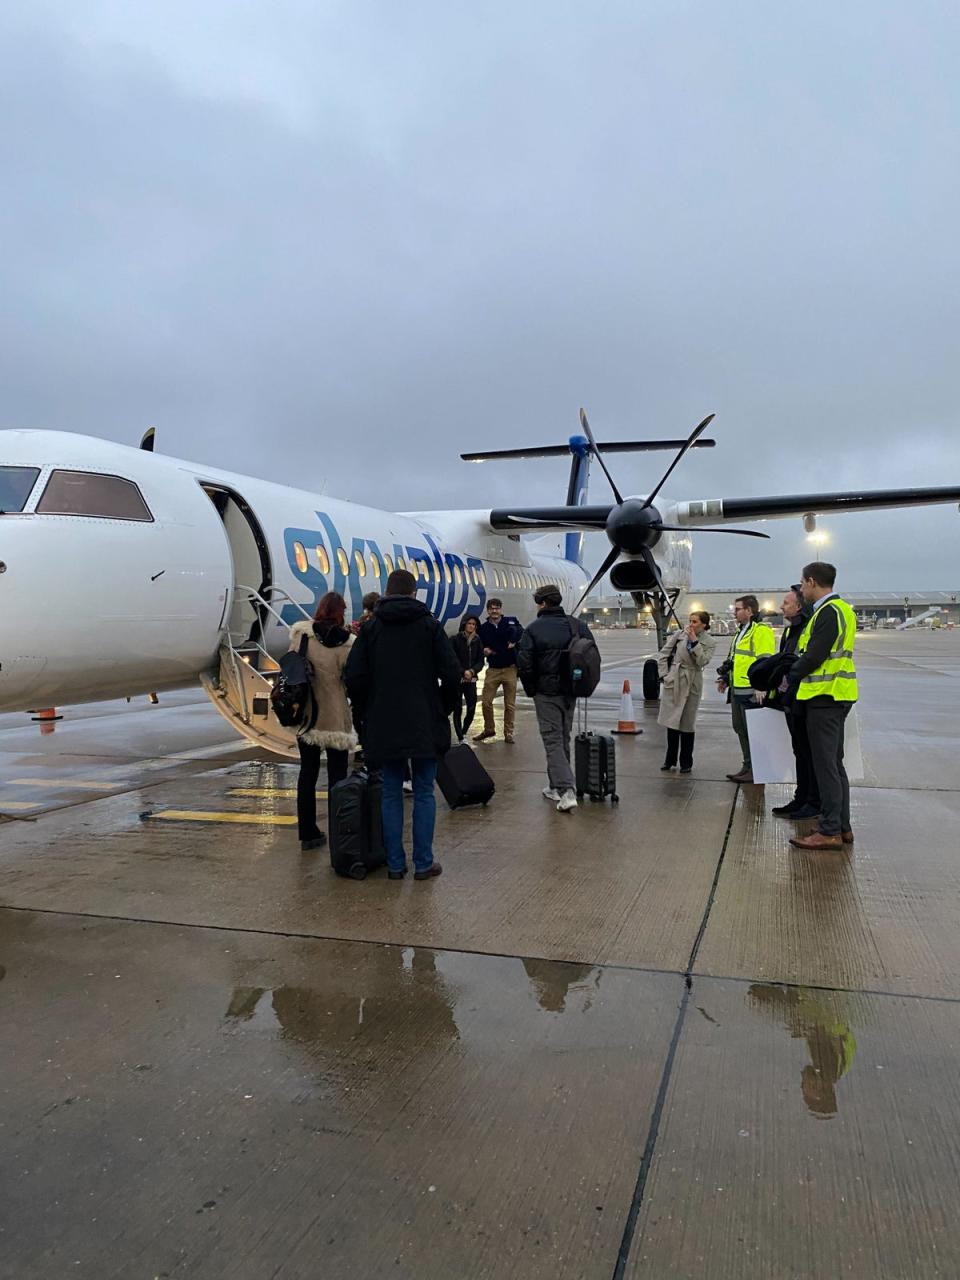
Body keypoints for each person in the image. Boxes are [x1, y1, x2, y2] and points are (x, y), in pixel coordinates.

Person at [344, 568, 461, 880]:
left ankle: (395, 864)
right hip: (424, 720)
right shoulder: (430, 626)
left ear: (386, 592)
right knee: (424, 791)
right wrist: (442, 708)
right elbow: (451, 674)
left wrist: (366, 709)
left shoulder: (370, 630)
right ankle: (423, 863)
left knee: (391, 791)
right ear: (413, 593)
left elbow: (353, 677)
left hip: (384, 722)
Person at [786, 562, 858, 851]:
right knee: (835, 764)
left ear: (813, 582)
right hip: (836, 694)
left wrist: (787, 676)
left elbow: (814, 655)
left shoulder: (828, 612)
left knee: (825, 766)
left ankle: (829, 830)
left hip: (825, 696)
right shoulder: (841, 610)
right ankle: (841, 826)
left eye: (802, 584)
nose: (801, 589)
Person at [288, 592, 357, 853]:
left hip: (307, 715)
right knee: (338, 778)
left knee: (307, 773)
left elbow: (291, 668)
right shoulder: (347, 643)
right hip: (334, 716)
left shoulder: (301, 636)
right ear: (340, 612)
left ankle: (308, 833)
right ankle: (339, 832)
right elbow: (351, 679)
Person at [517, 583, 593, 812]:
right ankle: (554, 785)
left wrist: (532, 690)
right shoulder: (577, 625)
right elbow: (590, 655)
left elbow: (525, 664)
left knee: (552, 740)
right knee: (562, 738)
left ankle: (566, 790)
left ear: (542, 603)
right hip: (571, 691)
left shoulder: (533, 630)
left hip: (546, 693)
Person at [769, 586, 820, 820]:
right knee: (799, 750)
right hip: (792, 700)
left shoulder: (806, 629)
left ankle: (813, 801)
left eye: (786, 603)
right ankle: (801, 798)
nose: (782, 606)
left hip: (805, 698)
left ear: (799, 607)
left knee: (809, 753)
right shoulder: (790, 631)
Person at [717, 594, 776, 783]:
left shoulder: (761, 631)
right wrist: (726, 678)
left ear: (749, 611)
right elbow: (737, 659)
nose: (734, 613)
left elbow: (765, 661)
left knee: (754, 732)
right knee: (740, 729)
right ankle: (748, 766)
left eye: (737, 609)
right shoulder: (741, 631)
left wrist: (761, 686)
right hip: (737, 688)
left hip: (751, 690)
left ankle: (757, 769)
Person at [656, 611, 716, 773]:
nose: (690, 625)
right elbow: (663, 654)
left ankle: (686, 762)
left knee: (687, 723)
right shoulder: (679, 635)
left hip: (692, 681)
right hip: (675, 679)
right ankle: (670, 759)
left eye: (695, 622)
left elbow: (703, 661)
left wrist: (695, 642)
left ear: (704, 625)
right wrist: (664, 675)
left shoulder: (709, 642)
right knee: (672, 721)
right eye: (690, 621)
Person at [475, 598, 523, 743]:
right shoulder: (483, 628)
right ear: (488, 611)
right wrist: (484, 650)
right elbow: (480, 644)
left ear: (501, 610)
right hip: (493, 669)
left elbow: (521, 631)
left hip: (510, 669)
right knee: (486, 702)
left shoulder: (510, 621)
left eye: (497, 608)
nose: (494, 611)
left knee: (509, 704)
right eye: (491, 609)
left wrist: (514, 640)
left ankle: (508, 733)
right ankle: (489, 729)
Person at [450, 614, 485, 742]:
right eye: (469, 623)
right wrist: (462, 671)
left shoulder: (477, 640)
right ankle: (460, 736)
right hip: (458, 679)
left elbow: (480, 660)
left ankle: (464, 731)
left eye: (474, 624)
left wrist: (472, 671)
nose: (471, 626)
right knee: (457, 708)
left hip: (471, 679)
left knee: (471, 707)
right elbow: (452, 659)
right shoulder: (455, 639)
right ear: (464, 624)